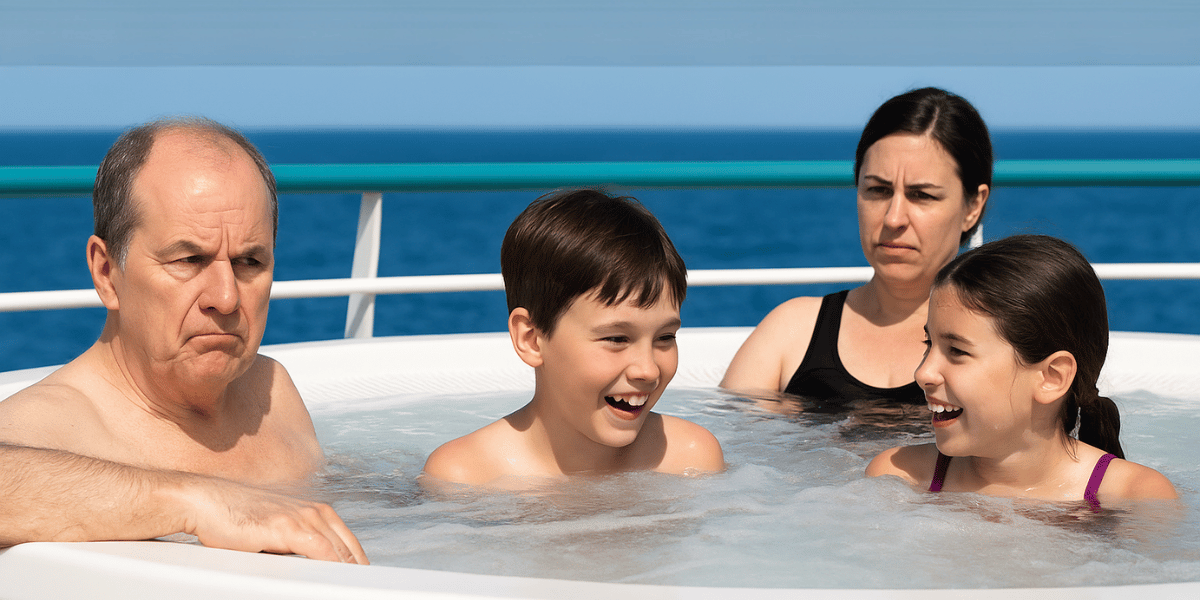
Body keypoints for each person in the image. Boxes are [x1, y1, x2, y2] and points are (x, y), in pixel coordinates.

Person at [0, 117, 367, 563]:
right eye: (189, 259)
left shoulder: (270, 390)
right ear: (106, 273)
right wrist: (196, 500)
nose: (226, 298)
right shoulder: (55, 423)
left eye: (249, 261)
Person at [423, 189, 724, 486]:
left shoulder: (690, 458)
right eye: (617, 339)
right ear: (531, 339)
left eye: (665, 337)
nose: (648, 370)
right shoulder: (466, 477)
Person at [721, 87, 990, 403]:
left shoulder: (1001, 338)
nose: (893, 218)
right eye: (878, 190)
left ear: (973, 207)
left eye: (922, 195)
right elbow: (729, 445)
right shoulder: (792, 331)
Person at [866, 235, 1177, 507]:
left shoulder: (1136, 498)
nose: (923, 373)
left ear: (1051, 377)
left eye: (957, 351)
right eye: (928, 342)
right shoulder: (897, 478)